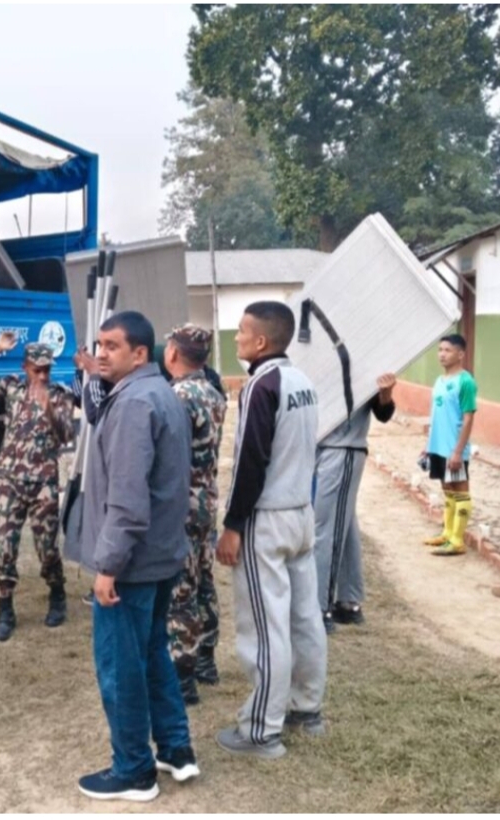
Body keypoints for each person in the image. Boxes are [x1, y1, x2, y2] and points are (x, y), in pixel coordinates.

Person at [75, 310, 198, 802]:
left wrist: (108, 566)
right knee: (151, 654)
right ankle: (176, 749)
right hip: (160, 553)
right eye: (99, 345)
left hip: (133, 563)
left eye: (112, 346)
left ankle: (133, 770)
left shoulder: (133, 403)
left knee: (120, 666)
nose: (101, 354)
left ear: (140, 353)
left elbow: (127, 499)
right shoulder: (160, 392)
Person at [215, 301, 326, 760]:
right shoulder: (302, 382)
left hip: (268, 518)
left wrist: (233, 525)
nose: (236, 337)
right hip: (300, 512)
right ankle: (307, 707)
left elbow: (250, 462)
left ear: (261, 341)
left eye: (242, 331)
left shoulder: (261, 385)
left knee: (265, 627)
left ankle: (261, 731)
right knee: (304, 617)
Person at [0, 333, 75, 641]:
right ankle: (5, 610)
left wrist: (48, 407)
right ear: (25, 367)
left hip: (43, 484)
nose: (43, 376)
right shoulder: (12, 389)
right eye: (37, 370)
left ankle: (57, 592)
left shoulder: (60, 395)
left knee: (47, 549)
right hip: (11, 482)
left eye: (47, 370)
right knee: (5, 548)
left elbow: (67, 434)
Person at [161, 324, 226, 704]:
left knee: (181, 590)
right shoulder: (213, 392)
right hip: (205, 502)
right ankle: (206, 660)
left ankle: (183, 677)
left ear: (173, 353)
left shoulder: (177, 397)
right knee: (204, 581)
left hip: (181, 506)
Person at [313, 373, 396, 631]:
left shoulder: (361, 360)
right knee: (343, 523)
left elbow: (382, 412)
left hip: (343, 447)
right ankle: (349, 602)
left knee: (325, 530)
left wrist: (385, 395)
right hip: (326, 446)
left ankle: (320, 609)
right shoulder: (321, 357)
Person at [420, 334, 478, 556]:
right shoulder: (439, 381)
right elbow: (436, 415)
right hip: (437, 447)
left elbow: (468, 418)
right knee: (448, 491)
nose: (442, 354)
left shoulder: (466, 382)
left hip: (454, 450)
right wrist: (428, 445)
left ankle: (457, 540)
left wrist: (457, 452)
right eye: (440, 350)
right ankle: (447, 533)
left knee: (460, 491)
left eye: (448, 350)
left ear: (460, 354)